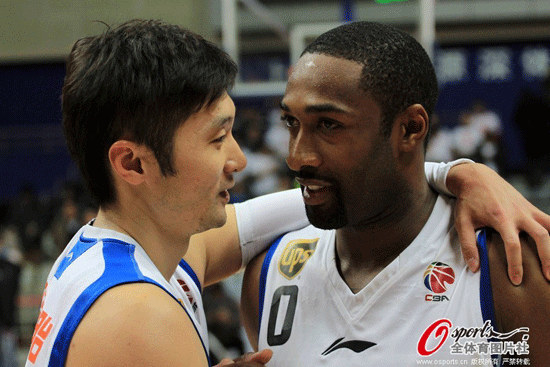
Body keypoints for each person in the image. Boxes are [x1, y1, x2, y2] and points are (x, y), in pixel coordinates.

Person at [25, 18, 549, 367]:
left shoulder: (139, 253)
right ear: (133, 163)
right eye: (216, 138)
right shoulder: (144, 311)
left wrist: (451, 172)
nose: (248, 158)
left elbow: (290, 205)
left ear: (409, 131)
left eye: (327, 126)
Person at [240, 21, 550, 366]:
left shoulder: (511, 273)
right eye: (290, 122)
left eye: (328, 125)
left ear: (410, 129)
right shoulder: (268, 276)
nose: (296, 157)